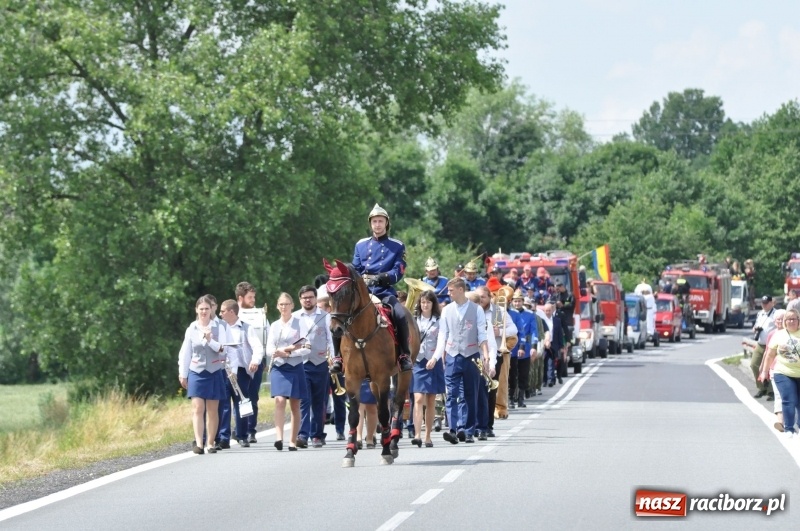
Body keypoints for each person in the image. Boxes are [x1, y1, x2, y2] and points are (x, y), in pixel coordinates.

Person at [331, 203, 412, 374]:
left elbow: (399, 270)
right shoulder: (360, 245)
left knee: (400, 314)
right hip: (362, 292)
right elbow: (355, 268)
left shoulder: (397, 246)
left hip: (384, 292)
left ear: (386, 223)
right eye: (374, 221)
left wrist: (381, 278)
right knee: (338, 315)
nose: (377, 225)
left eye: (380, 221)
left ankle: (404, 354)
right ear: (370, 224)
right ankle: (338, 357)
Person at [430, 278, 491, 444]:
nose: (448, 293)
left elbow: (482, 334)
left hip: (471, 355)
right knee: (452, 393)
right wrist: (436, 356)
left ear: (460, 290)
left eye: (451, 291)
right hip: (452, 355)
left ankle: (468, 430)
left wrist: (485, 354)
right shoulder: (447, 310)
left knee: (471, 395)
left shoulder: (476, 309)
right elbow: (443, 335)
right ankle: (453, 429)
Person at [178, 296, 230, 455]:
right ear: (196, 310)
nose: (204, 312)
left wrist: (210, 341)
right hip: (196, 371)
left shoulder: (219, 327)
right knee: (197, 408)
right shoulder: (192, 328)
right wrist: (183, 373)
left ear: (211, 310)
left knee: (212, 410)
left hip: (214, 371)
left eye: (207, 309)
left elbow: (224, 349)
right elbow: (185, 352)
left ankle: (210, 442)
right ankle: (199, 443)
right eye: (201, 309)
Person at [264, 293, 310, 451]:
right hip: (279, 367)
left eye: (286, 304)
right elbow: (269, 348)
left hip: (295, 366)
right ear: (277, 306)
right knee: (280, 400)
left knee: (295, 405)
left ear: (292, 305)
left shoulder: (300, 323)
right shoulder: (275, 325)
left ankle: (292, 441)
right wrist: (280, 352)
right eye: (281, 304)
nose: (283, 307)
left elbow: (307, 348)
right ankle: (278, 438)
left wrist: (290, 353)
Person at [218, 299, 264, 448]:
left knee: (243, 402)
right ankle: (223, 437)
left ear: (231, 312)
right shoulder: (220, 328)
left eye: (223, 311)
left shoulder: (246, 327)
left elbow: (257, 347)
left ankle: (242, 435)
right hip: (224, 371)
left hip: (242, 371)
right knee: (224, 404)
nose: (220, 314)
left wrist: (255, 361)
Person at [295, 286, 334, 449]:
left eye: (310, 297)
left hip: (320, 362)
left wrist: (333, 358)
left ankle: (317, 435)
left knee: (319, 401)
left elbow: (331, 339)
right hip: (301, 363)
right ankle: (302, 435)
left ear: (315, 298)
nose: (307, 300)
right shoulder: (295, 317)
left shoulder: (325, 316)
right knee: (304, 401)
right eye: (304, 297)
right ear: (300, 300)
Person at [236, 281, 269, 444]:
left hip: (256, 360)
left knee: (252, 397)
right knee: (239, 398)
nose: (253, 300)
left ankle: (250, 430)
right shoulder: (233, 314)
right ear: (240, 298)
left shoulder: (260, 314)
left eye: (254, 297)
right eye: (250, 297)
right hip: (237, 362)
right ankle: (238, 429)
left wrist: (267, 361)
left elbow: (267, 336)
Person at [759, 308, 800, 439]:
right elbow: (770, 355)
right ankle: (788, 428)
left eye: (794, 319)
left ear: (799, 320)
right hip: (783, 372)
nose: (791, 321)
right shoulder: (779, 335)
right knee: (789, 399)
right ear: (784, 322)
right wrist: (764, 371)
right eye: (788, 319)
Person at [411, 290, 444, 447]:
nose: (425, 305)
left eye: (428, 302)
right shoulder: (413, 319)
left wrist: (435, 358)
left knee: (430, 399)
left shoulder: (439, 320)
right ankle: (417, 434)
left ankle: (428, 436)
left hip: (432, 361)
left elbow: (442, 342)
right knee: (418, 398)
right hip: (418, 361)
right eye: (423, 302)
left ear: (433, 304)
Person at [475, 286, 509, 438]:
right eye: (478, 297)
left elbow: (513, 328)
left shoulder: (498, 311)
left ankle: (488, 424)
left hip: (495, 353)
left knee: (490, 391)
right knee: (475, 392)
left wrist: (500, 332)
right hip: (476, 356)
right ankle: (475, 424)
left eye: (483, 297)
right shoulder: (473, 312)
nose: (480, 300)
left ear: (489, 297)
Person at [316, 286, 346, 441]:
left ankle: (340, 429)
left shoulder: (336, 320)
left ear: (328, 307)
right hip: (321, 363)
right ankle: (318, 431)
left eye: (320, 307)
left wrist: (336, 359)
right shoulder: (317, 320)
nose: (318, 309)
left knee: (339, 399)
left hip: (336, 363)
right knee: (321, 400)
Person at [759, 310, 786, 430]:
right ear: (774, 321)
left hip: (790, 370)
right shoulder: (771, 334)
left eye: (782, 319)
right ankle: (780, 421)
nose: (779, 321)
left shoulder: (793, 333)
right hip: (775, 369)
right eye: (777, 319)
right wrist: (763, 367)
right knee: (778, 395)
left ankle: (791, 419)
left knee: (790, 396)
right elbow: (767, 352)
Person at [751, 295, 776, 399]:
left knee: (770, 367)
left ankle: (771, 390)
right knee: (754, 364)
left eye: (766, 303)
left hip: (771, 345)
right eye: (762, 303)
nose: (764, 305)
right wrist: (755, 329)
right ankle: (762, 388)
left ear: (771, 303)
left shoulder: (776, 314)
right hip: (760, 344)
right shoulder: (760, 313)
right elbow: (756, 325)